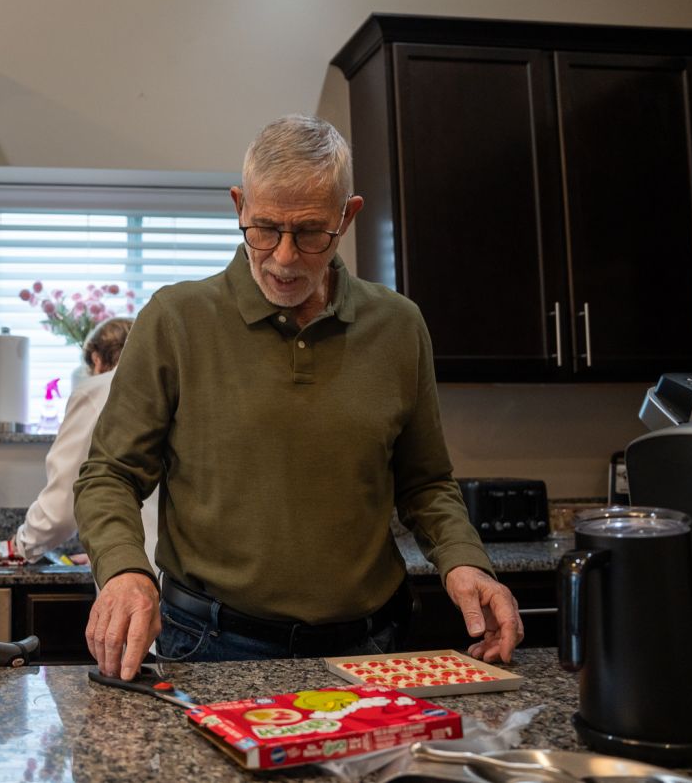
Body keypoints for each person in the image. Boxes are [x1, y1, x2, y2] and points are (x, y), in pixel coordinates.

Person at [73, 114, 523, 681]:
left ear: (347, 216)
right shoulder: (176, 319)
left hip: (369, 646)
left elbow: (426, 483)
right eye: (264, 229)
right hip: (211, 643)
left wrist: (462, 561)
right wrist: (123, 571)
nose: (284, 258)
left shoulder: (399, 326)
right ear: (239, 205)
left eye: (311, 233)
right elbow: (109, 474)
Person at [7, 317, 159, 573]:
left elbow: (60, 509)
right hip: (185, 579)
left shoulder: (96, 391)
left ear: (97, 358)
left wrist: (19, 546)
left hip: (131, 572)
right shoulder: (170, 388)